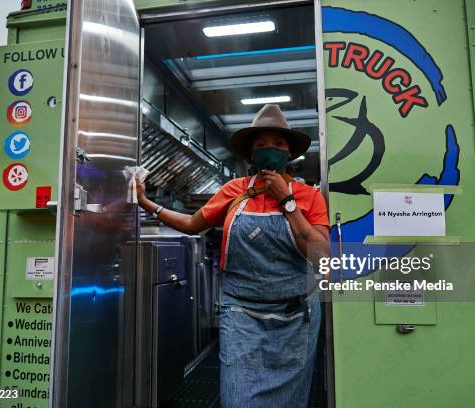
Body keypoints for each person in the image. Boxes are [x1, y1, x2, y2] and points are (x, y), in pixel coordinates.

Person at [135, 104, 330, 407]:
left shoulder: (309, 196)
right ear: (251, 155)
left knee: (289, 401)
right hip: (241, 315)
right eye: (262, 145)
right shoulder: (234, 191)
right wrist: (148, 204)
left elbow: (321, 254)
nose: (270, 150)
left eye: (278, 145)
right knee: (238, 398)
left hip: (295, 317)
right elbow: (191, 224)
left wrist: (287, 201)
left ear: (289, 153)